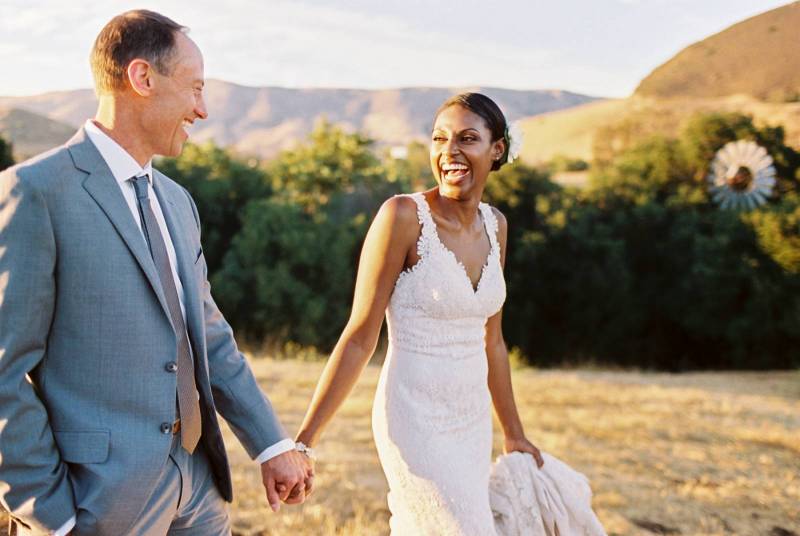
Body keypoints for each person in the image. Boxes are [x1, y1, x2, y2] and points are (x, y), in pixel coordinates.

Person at [0, 10, 312, 535]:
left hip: (199, 487)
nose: (203, 109)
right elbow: (4, 369)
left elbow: (208, 334)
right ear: (142, 78)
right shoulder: (34, 191)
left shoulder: (177, 201)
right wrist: (51, 516)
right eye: (194, 89)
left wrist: (271, 444)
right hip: (99, 500)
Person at [296, 92, 544, 534]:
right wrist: (305, 441)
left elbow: (493, 341)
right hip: (413, 416)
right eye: (439, 138)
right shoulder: (403, 216)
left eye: (468, 138)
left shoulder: (497, 226)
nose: (450, 151)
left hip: (470, 421)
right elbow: (359, 336)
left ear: (497, 150)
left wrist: (513, 431)